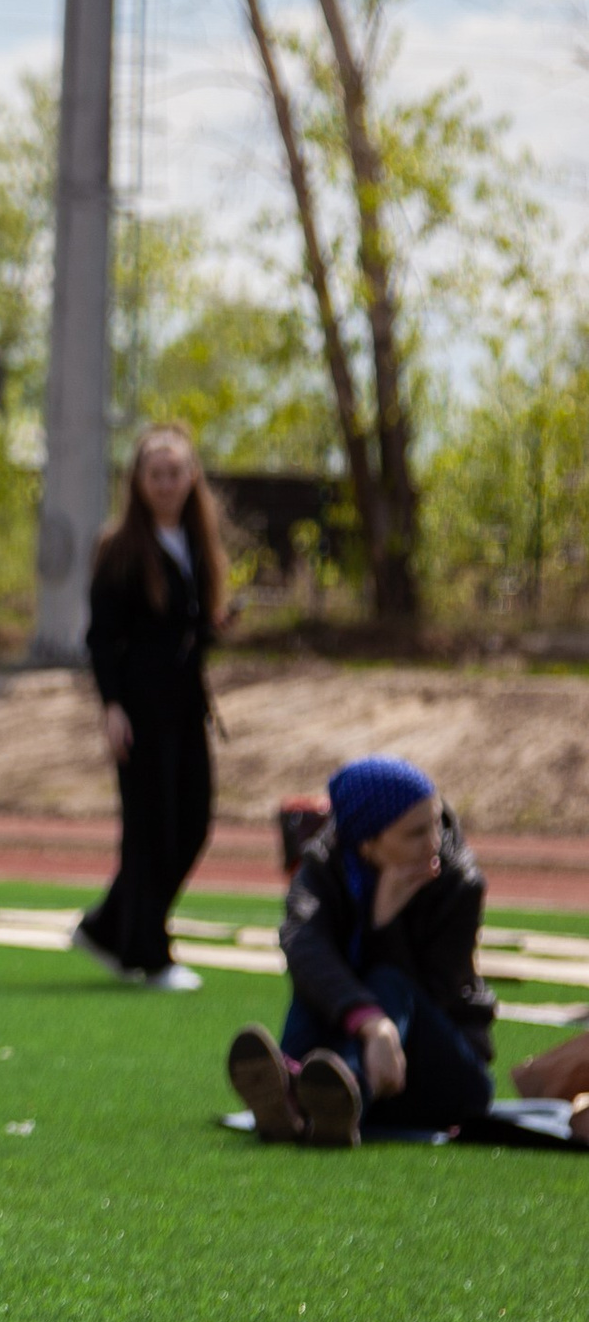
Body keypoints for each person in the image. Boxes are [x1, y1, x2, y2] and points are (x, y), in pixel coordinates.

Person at [228, 757, 497, 1147]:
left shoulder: (458, 883)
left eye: (435, 823)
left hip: (446, 1075)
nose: (434, 842)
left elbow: (435, 995)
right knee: (319, 979)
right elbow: (302, 944)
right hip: (376, 1061)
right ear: (368, 844)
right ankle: (317, 1096)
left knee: (387, 981)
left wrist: (385, 927)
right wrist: (370, 1024)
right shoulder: (325, 863)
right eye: (415, 833)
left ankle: (322, 1094)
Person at [74, 422, 228, 993]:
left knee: (192, 823)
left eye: (175, 473)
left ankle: (107, 926)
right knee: (150, 830)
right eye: (154, 473)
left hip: (186, 708)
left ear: (192, 477)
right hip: (140, 709)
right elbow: (102, 637)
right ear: (137, 481)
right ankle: (148, 954)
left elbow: (184, 630)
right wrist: (112, 706)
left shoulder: (196, 541)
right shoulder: (119, 547)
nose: (165, 483)